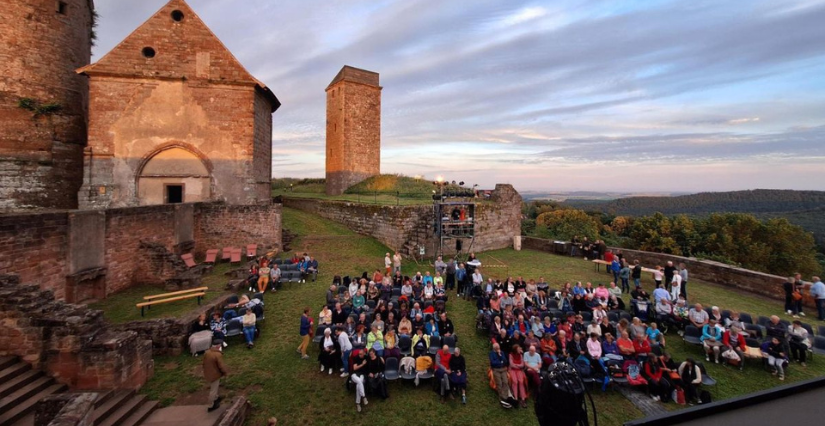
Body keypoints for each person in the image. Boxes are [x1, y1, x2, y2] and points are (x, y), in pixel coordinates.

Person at [203, 338, 228, 412]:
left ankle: (216, 398)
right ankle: (211, 405)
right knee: (213, 390)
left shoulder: (207, 352)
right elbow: (221, 366)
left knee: (214, 387)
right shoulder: (217, 354)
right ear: (218, 346)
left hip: (208, 373)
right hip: (214, 374)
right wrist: (225, 372)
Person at [489, 343, 512, 408]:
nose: (498, 349)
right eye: (496, 348)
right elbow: (493, 363)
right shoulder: (491, 353)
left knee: (505, 382)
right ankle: (501, 398)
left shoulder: (501, 352)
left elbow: (505, 361)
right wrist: (500, 362)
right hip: (496, 370)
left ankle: (505, 397)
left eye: (498, 347)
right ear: (494, 348)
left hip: (503, 369)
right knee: (499, 383)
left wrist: (500, 355)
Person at [508, 344, 528, 408]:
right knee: (515, 381)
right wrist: (518, 365)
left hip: (519, 370)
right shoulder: (510, 355)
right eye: (519, 349)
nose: (520, 350)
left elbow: (522, 364)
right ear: (515, 349)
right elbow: (511, 364)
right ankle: (516, 398)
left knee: (521, 381)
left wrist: (517, 366)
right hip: (512, 370)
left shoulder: (521, 355)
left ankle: (523, 399)